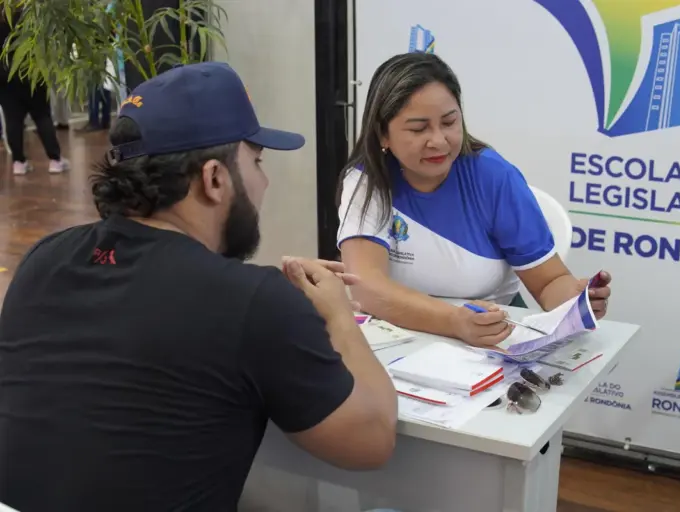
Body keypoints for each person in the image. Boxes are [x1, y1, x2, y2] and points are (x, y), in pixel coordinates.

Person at [0, 62, 397, 511]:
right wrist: (339, 315)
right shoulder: (253, 301)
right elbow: (373, 440)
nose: (264, 182)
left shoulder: (41, 260)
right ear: (214, 178)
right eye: (257, 162)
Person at [337, 52, 612, 347]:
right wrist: (453, 321)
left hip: (486, 344)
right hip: (397, 340)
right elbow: (366, 286)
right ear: (383, 135)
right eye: (418, 128)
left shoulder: (494, 177)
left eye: (449, 122)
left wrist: (576, 301)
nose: (439, 141)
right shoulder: (367, 180)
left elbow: (549, 283)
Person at [0, 10, 69, 175]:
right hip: (30, 70)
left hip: (3, 75)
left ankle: (18, 162)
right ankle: (55, 160)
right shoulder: (28, 11)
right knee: (42, 115)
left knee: (13, 119)